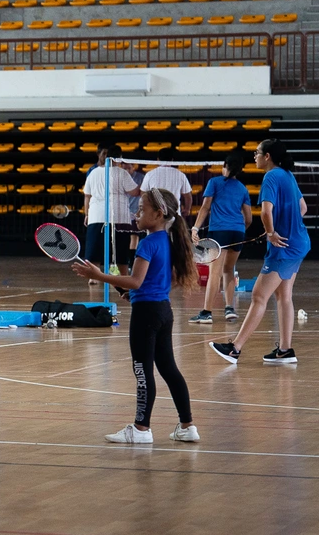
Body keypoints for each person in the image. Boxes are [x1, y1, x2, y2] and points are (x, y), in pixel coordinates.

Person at [72, 188, 199, 444]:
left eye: (141, 208)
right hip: (163, 310)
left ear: (159, 213)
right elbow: (161, 280)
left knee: (142, 370)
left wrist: (98, 275)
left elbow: (136, 280)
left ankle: (141, 429)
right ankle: (187, 426)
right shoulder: (168, 241)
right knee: (169, 369)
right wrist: (134, 295)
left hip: (147, 315)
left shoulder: (147, 242)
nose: (136, 213)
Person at [211, 139, 310, 366]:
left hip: (283, 247)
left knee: (258, 295)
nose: (254, 156)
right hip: (299, 242)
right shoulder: (288, 175)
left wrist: (272, 232)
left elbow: (266, 211)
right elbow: (302, 207)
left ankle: (234, 349)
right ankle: (285, 350)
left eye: (257, 153)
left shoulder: (271, 176)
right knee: (283, 296)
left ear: (268, 157)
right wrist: (288, 225)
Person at [189, 152, 252, 324]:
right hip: (237, 232)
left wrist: (195, 228)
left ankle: (206, 312)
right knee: (229, 270)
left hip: (219, 232)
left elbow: (205, 207)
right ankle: (229, 309)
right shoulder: (242, 188)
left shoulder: (214, 182)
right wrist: (240, 230)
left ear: (225, 166)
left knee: (214, 273)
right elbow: (249, 218)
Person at [82, 145, 140, 281]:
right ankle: (124, 277)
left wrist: (87, 214)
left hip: (96, 215)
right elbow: (135, 192)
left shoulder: (93, 172)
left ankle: (93, 278)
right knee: (121, 249)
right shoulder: (122, 173)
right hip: (119, 217)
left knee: (95, 249)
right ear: (118, 157)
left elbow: (87, 195)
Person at [140, 147, 195, 224]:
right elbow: (188, 196)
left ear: (158, 159)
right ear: (172, 160)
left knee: (156, 236)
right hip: (174, 215)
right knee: (174, 235)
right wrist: (187, 209)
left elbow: (143, 194)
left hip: (155, 215)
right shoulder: (180, 175)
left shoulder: (150, 174)